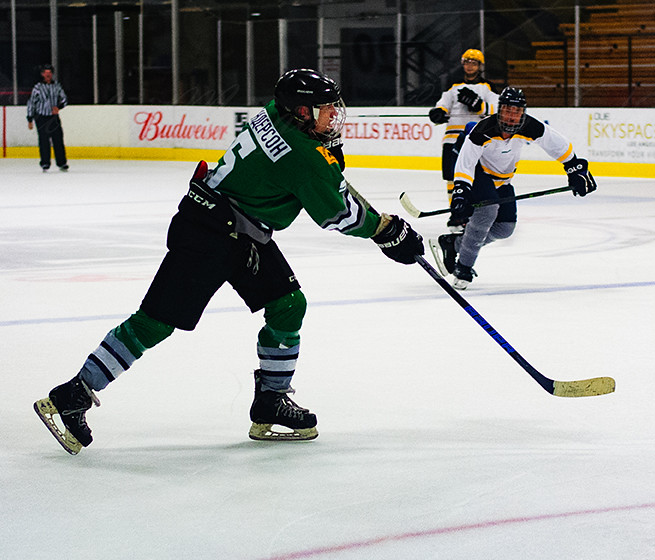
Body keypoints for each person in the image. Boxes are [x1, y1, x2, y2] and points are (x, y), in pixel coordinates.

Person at [33, 69, 425, 453]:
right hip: (210, 233)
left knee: (288, 304)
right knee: (155, 321)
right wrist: (387, 231)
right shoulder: (305, 156)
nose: (333, 115)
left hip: (237, 228)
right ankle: (74, 394)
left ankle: (271, 399)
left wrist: (331, 169)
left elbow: (318, 175)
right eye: (324, 108)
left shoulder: (276, 112)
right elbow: (338, 215)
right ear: (302, 112)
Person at [428, 86, 597, 290]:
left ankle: (453, 244)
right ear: (500, 110)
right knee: (488, 210)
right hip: (477, 171)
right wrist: (461, 191)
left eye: (516, 112)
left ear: (522, 113)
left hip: (502, 179)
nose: (511, 117)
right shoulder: (483, 130)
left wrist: (574, 167)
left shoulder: (529, 126)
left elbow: (556, 144)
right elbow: (466, 163)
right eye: (507, 110)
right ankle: (463, 267)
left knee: (505, 228)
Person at [428, 49, 501, 222]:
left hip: (475, 139)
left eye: (474, 63)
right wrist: (438, 113)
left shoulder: (488, 87)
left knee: (474, 176)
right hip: (451, 139)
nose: (470, 66)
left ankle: (476, 212)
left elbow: (495, 110)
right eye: (467, 62)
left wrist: (478, 105)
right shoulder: (454, 87)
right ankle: (457, 212)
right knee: (451, 178)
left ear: (480, 66)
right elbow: (444, 105)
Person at [26, 64, 69, 172]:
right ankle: (45, 163)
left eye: (49, 72)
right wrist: (30, 118)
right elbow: (31, 103)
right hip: (41, 117)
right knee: (44, 141)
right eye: (46, 72)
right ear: (42, 74)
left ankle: (62, 162)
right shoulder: (38, 87)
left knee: (58, 139)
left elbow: (64, 99)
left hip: (54, 118)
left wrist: (59, 107)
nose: (48, 74)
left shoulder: (57, 86)